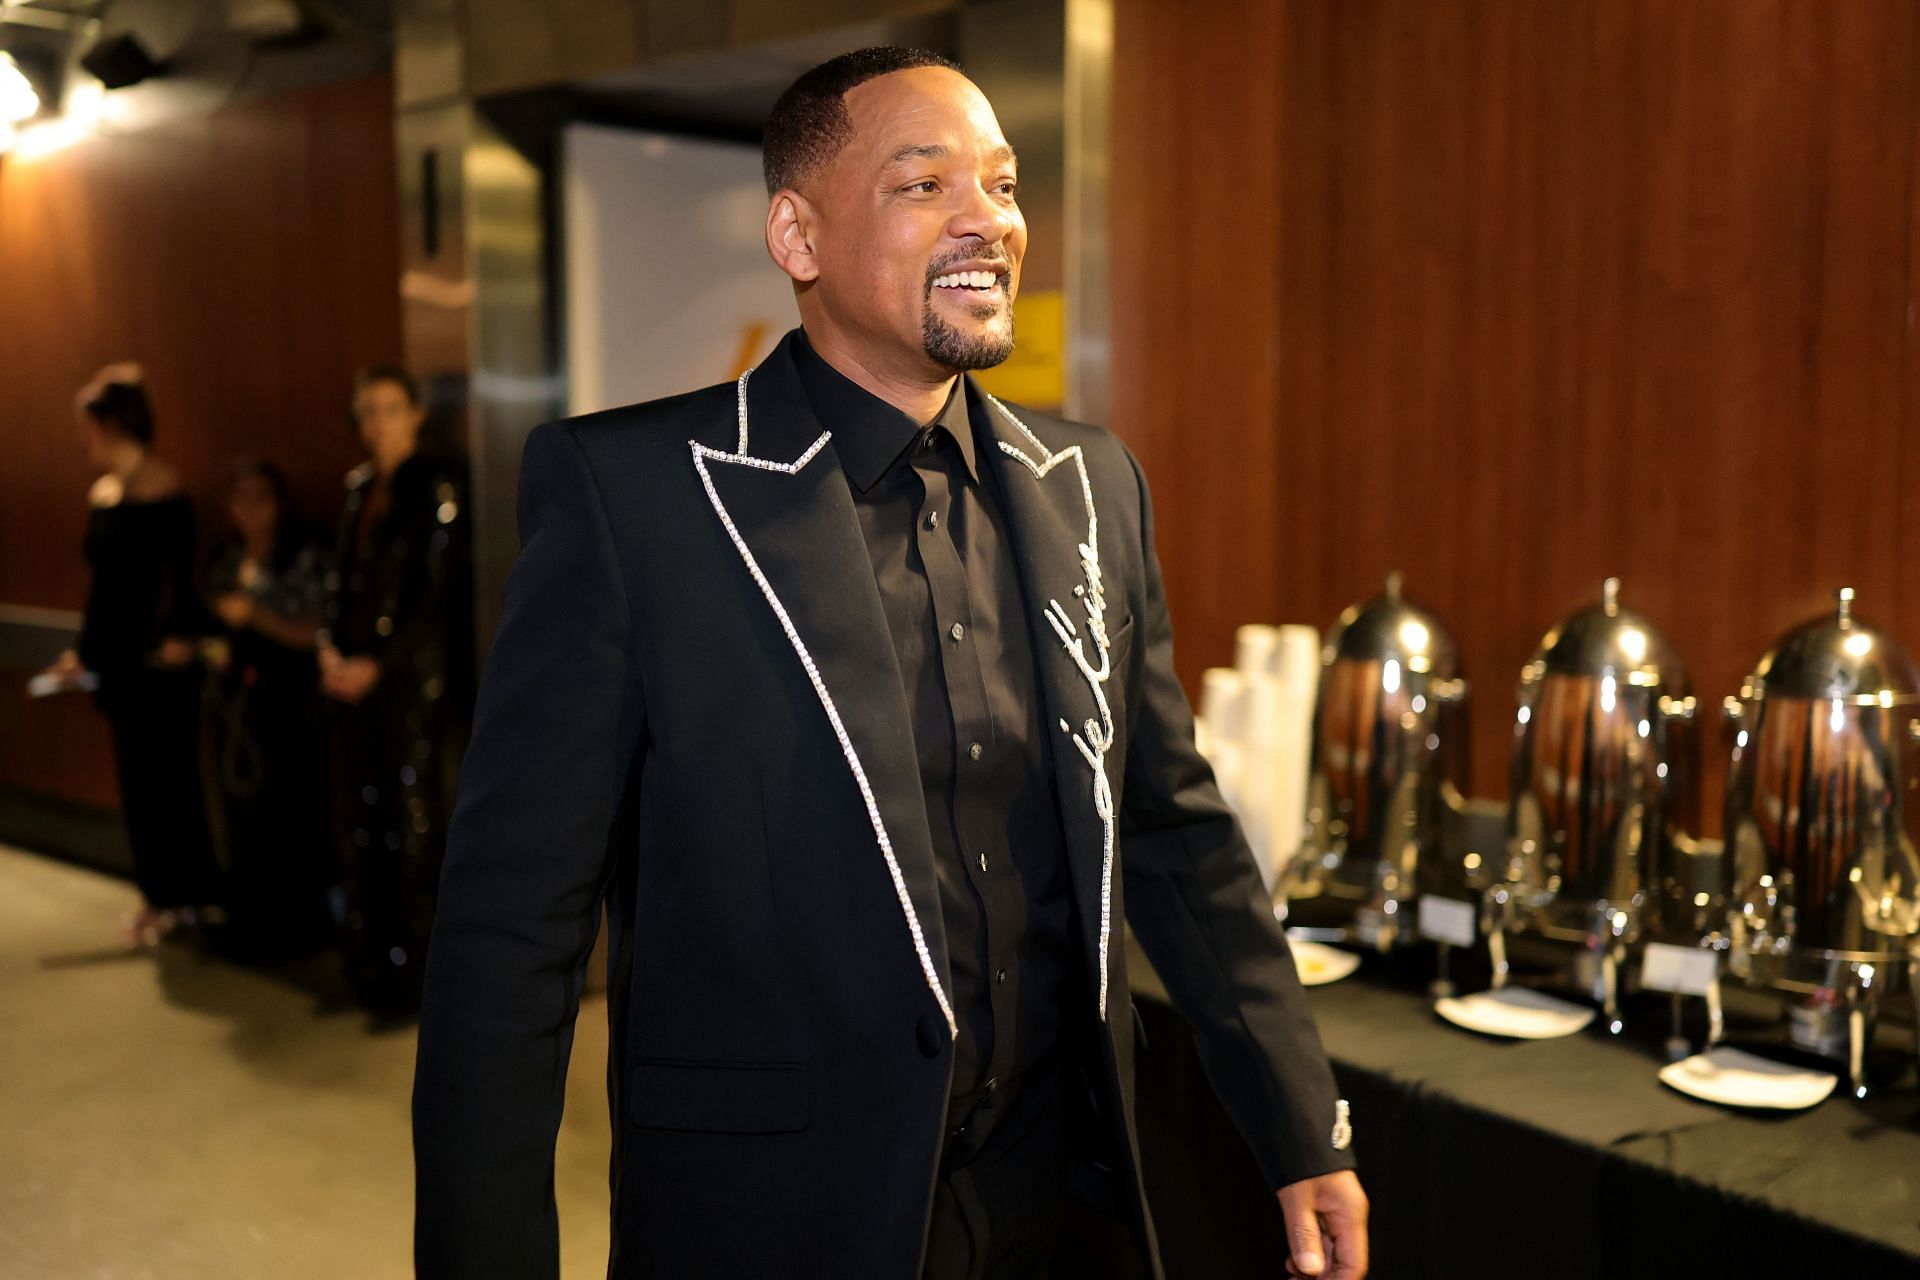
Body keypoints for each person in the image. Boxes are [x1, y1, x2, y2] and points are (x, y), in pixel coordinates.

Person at [413, 47, 1368, 1280]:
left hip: (1055, 1204)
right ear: (796, 235)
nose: (989, 220)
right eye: (925, 186)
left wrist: (1301, 1123)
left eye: (1006, 184)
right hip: (774, 1219)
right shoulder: (635, 501)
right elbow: (508, 936)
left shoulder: (1092, 489)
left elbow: (1177, 833)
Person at [40, 366, 218, 946]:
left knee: (172, 781)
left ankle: (189, 895)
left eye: (88, 424)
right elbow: (102, 591)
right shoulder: (105, 493)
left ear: (109, 424)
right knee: (137, 784)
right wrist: (83, 652)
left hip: (160, 663)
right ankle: (157, 893)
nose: (83, 437)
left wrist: (178, 638)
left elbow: (176, 579)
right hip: (119, 662)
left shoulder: (163, 490)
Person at [318, 366, 471, 1016]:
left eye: (388, 409)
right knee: (362, 818)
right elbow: (341, 582)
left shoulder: (437, 486)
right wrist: (330, 651)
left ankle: (419, 976)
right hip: (354, 680)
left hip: (411, 682)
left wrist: (378, 664)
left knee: (415, 822)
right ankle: (372, 963)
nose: (377, 423)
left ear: (414, 414)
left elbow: (434, 595)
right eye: (367, 411)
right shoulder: (359, 489)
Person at [203, 458, 332, 963]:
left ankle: (301, 926)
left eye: (261, 498)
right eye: (240, 499)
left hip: (291, 698)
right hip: (238, 702)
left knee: (295, 810)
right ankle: (249, 922)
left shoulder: (304, 553)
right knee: (244, 815)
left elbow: (316, 629)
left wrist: (255, 615)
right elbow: (211, 625)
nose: (250, 511)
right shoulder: (227, 556)